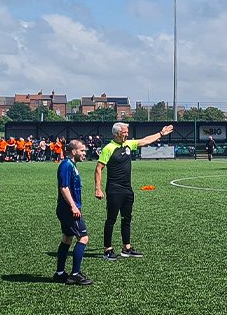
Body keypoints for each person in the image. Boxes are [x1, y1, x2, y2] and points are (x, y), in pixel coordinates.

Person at [95, 122, 174, 260]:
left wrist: (160, 134)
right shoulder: (108, 148)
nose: (127, 134)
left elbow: (145, 140)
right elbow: (98, 168)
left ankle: (127, 248)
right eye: (124, 132)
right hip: (114, 189)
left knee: (127, 218)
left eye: (127, 132)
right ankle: (107, 249)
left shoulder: (128, 144)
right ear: (117, 133)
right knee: (111, 219)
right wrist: (98, 189)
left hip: (127, 189)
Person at [55, 140, 93, 285]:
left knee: (67, 238)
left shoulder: (72, 165)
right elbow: (64, 188)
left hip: (66, 208)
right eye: (82, 151)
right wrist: (73, 206)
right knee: (83, 238)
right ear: (74, 151)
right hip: (68, 209)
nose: (85, 153)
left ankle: (60, 273)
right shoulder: (66, 165)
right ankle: (75, 274)